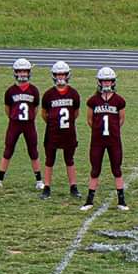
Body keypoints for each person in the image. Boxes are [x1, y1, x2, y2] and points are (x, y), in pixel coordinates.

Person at [0, 58, 42, 191]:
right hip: (14, 124)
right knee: (8, 150)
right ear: (15, 72)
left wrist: (28, 119)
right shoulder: (10, 91)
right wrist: (15, 118)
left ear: (29, 72)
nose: (22, 74)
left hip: (29, 124)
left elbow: (35, 109)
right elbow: (8, 109)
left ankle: (39, 180)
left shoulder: (34, 91)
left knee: (33, 151)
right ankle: (0, 179)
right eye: (20, 71)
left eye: (25, 71)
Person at [82, 67, 128, 211]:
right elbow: (89, 120)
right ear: (99, 82)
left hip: (113, 140)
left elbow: (121, 120)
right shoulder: (93, 100)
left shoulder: (119, 100)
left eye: (109, 81)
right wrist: (98, 131)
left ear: (113, 82)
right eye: (104, 81)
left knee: (117, 169)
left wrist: (112, 131)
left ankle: (121, 201)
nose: (106, 83)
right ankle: (89, 201)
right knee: (95, 169)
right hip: (97, 141)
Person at [39, 61, 82, 199]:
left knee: (69, 159)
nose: (60, 77)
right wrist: (53, 123)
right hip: (52, 132)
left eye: (63, 74)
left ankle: (73, 186)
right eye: (58, 74)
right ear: (53, 76)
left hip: (68, 132)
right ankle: (46, 187)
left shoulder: (74, 94)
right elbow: (44, 114)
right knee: (49, 160)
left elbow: (75, 113)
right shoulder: (48, 94)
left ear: (68, 75)